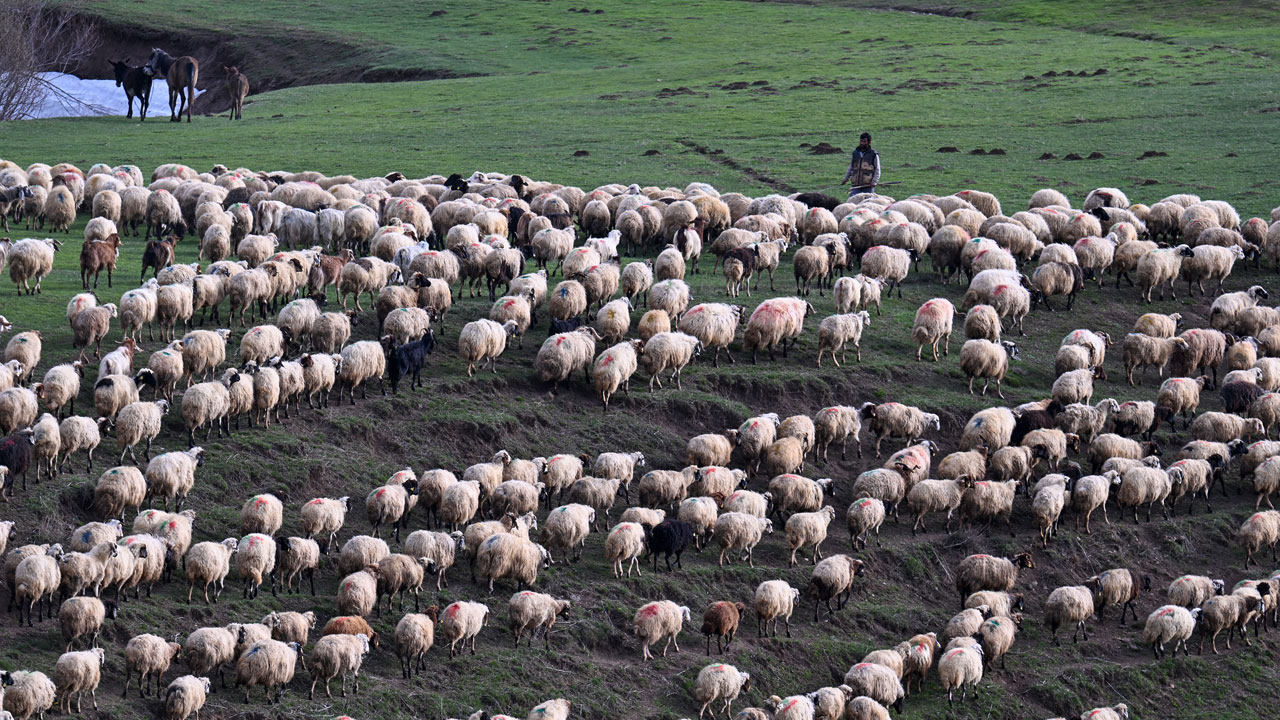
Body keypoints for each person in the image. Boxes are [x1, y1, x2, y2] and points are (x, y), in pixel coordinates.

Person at [841, 132, 881, 197]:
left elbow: (877, 169)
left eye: (864, 141)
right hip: (856, 185)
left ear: (869, 142)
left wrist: (874, 181)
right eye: (861, 141)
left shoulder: (873, 154)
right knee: (852, 203)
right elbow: (851, 167)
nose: (862, 143)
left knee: (868, 203)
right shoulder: (855, 153)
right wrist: (846, 178)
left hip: (868, 185)